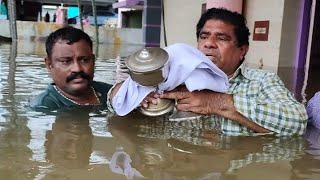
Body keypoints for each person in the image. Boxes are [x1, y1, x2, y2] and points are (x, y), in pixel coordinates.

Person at [157, 8, 307, 135]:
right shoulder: (175, 78)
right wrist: (144, 98)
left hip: (234, 167)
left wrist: (215, 102)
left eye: (221, 38)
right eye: (204, 37)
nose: (209, 43)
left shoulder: (263, 81)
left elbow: (297, 123)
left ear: (242, 50)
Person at [29, 26, 152, 111]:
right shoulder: (43, 107)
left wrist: (140, 99)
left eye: (84, 60)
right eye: (66, 61)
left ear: (93, 61)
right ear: (49, 65)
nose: (77, 68)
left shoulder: (109, 92)